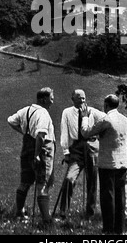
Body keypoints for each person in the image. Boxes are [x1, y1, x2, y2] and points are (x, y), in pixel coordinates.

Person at [80, 94, 127, 235]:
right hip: (122, 164)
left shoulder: (106, 119)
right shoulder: (126, 121)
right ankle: (119, 229)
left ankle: (108, 229)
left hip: (107, 164)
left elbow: (86, 133)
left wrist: (85, 117)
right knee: (120, 196)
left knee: (107, 196)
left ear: (106, 105)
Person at [7, 87, 55, 226]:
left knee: (25, 181)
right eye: (51, 98)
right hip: (41, 150)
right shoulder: (43, 113)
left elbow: (10, 120)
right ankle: (46, 220)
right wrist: (37, 155)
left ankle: (19, 212)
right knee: (42, 184)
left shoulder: (26, 110)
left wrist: (24, 133)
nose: (52, 102)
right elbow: (40, 135)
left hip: (26, 148)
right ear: (44, 99)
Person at [59, 89, 105, 220]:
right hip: (77, 148)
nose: (82, 101)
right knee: (69, 178)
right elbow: (64, 132)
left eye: (84, 98)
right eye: (79, 98)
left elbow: (107, 120)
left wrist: (101, 136)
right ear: (72, 99)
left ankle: (89, 213)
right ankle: (63, 211)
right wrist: (66, 152)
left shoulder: (93, 111)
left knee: (92, 181)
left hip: (92, 146)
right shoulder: (67, 112)